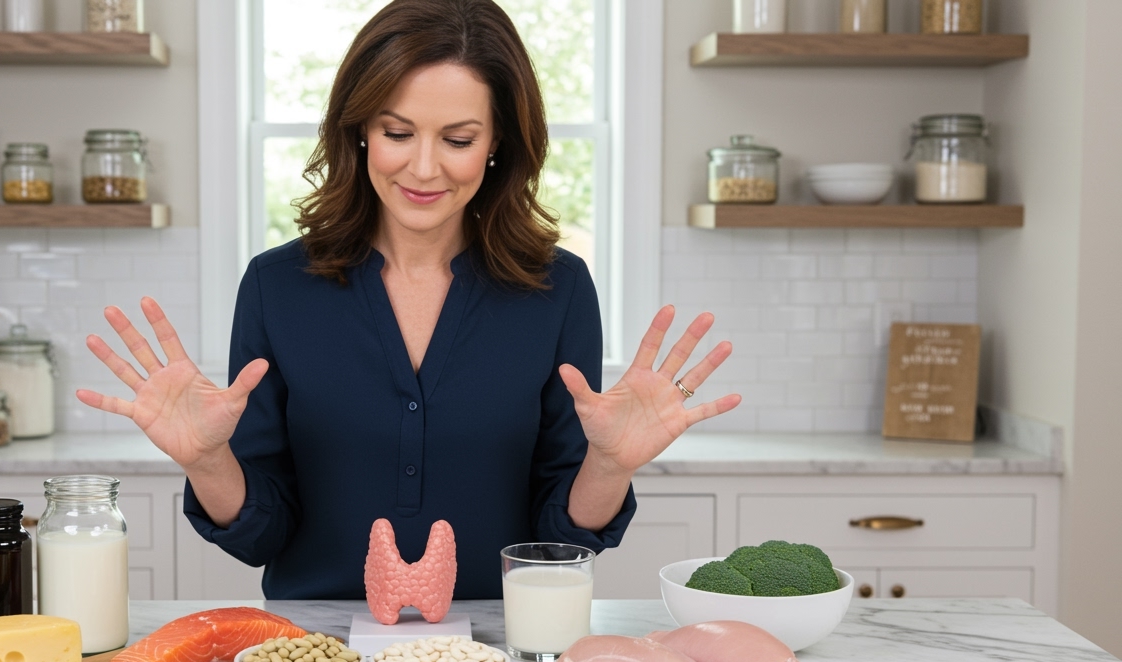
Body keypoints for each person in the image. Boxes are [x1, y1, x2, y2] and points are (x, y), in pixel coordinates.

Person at [78, 0, 740, 600]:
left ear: (497, 145)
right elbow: (262, 539)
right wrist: (206, 461)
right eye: (397, 133)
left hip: (495, 655)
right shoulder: (275, 287)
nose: (424, 168)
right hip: (316, 660)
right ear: (359, 128)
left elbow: (558, 543)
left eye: (457, 140)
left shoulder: (559, 289)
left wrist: (608, 466)